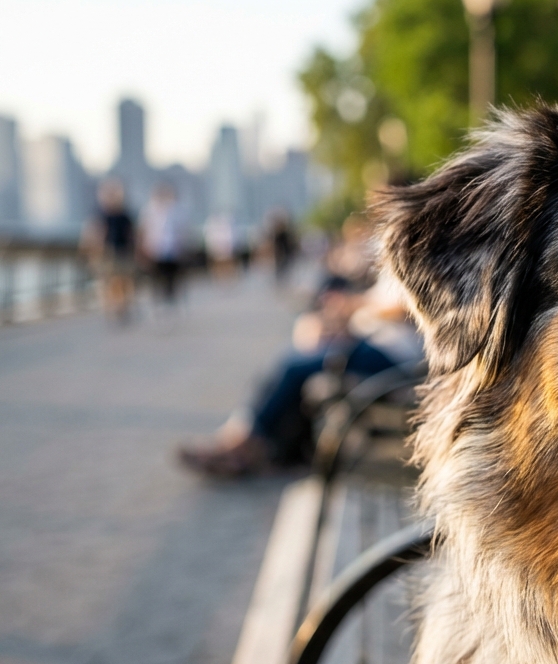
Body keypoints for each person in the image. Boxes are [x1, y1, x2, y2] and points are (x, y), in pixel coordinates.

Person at [177, 267, 422, 477]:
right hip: (374, 344)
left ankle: (242, 443)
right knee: (296, 354)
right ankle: (249, 442)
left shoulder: (415, 251)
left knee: (293, 367)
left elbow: (405, 307)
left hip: (396, 354)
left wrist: (352, 304)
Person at [81, 180, 137, 324]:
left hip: (122, 252)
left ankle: (121, 305)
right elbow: (91, 233)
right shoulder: (100, 214)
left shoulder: (124, 214)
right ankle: (114, 306)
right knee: (109, 281)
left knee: (122, 281)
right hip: (106, 253)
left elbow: (132, 234)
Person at [139, 183, 187, 310]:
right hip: (155, 249)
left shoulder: (175, 210)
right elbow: (144, 230)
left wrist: (181, 246)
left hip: (172, 249)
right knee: (157, 276)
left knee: (172, 275)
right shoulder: (149, 210)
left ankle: (170, 298)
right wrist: (143, 248)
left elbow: (181, 230)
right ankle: (160, 299)